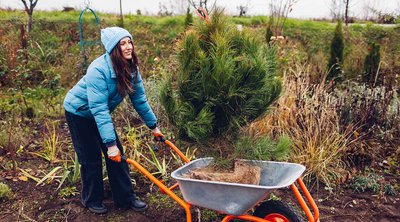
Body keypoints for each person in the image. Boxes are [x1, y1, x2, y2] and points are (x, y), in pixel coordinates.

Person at [63, 27, 163, 214]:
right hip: (79, 112)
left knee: (118, 156)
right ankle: (92, 200)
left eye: (129, 42)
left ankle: (125, 199)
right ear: (113, 49)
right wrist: (110, 144)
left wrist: (154, 126)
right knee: (91, 157)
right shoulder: (98, 70)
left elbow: (140, 99)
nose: (128, 47)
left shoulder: (132, 68)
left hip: (98, 113)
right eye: (122, 44)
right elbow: (99, 109)